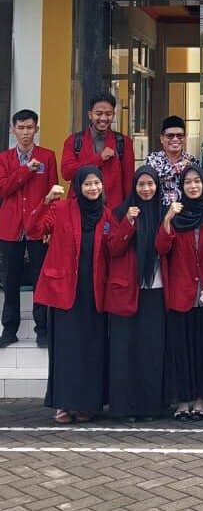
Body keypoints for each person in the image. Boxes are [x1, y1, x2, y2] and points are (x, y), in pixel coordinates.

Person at [26, 166, 111, 424]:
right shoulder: (61, 209)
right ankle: (63, 404)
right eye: (87, 184)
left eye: (96, 183)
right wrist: (45, 201)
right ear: (78, 187)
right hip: (65, 291)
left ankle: (87, 404)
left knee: (92, 350)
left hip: (94, 292)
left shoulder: (107, 215)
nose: (93, 188)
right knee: (66, 350)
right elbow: (33, 230)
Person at [156, 165, 203, 421]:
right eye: (188, 182)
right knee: (180, 351)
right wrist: (167, 219)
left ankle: (200, 401)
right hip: (180, 294)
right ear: (181, 186)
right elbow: (162, 248)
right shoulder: (175, 214)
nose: (193, 186)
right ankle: (183, 402)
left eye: (197, 181)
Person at [105, 166, 167, 421]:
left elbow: (166, 248)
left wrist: (167, 223)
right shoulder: (121, 212)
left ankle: (149, 407)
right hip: (126, 291)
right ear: (134, 186)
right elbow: (113, 249)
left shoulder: (163, 212)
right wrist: (128, 223)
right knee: (124, 351)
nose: (146, 189)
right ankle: (124, 407)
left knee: (150, 351)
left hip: (155, 290)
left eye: (150, 184)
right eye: (141, 184)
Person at [0, 109, 58, 348]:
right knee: (10, 280)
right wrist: (26, 170)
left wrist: (50, 227)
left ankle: (42, 329)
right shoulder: (4, 159)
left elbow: (54, 195)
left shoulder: (47, 156)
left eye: (30, 127)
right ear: (13, 130)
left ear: (37, 129)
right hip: (10, 227)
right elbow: (3, 189)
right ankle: (9, 329)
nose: (25, 132)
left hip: (39, 227)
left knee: (40, 280)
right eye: (21, 128)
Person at [61, 92, 135, 210]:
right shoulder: (74, 141)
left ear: (114, 115)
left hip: (113, 212)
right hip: (80, 211)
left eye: (108, 114)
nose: (103, 118)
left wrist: (127, 212)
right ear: (90, 114)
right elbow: (66, 173)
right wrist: (98, 159)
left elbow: (128, 183)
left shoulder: (124, 143)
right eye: (99, 113)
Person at [145, 116, 200, 205]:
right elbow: (156, 179)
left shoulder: (193, 161)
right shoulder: (153, 159)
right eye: (170, 136)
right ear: (162, 138)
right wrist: (181, 165)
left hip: (186, 210)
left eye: (180, 136)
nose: (175, 139)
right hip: (159, 209)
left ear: (185, 138)